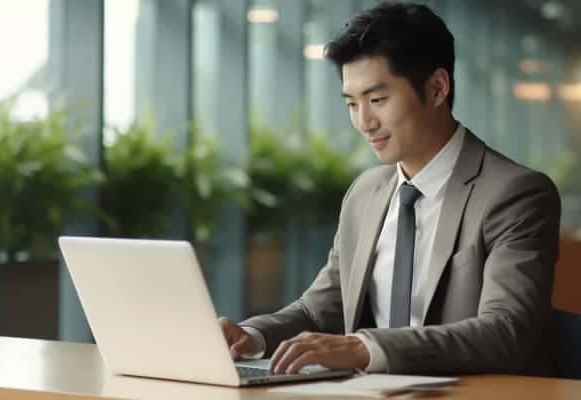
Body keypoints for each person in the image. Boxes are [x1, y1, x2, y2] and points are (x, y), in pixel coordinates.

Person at [219, 1, 560, 375]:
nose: (364, 122)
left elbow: (506, 331)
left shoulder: (515, 194)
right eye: (352, 103)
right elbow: (319, 309)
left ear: (436, 88)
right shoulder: (365, 193)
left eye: (377, 100)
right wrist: (252, 336)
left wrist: (364, 348)